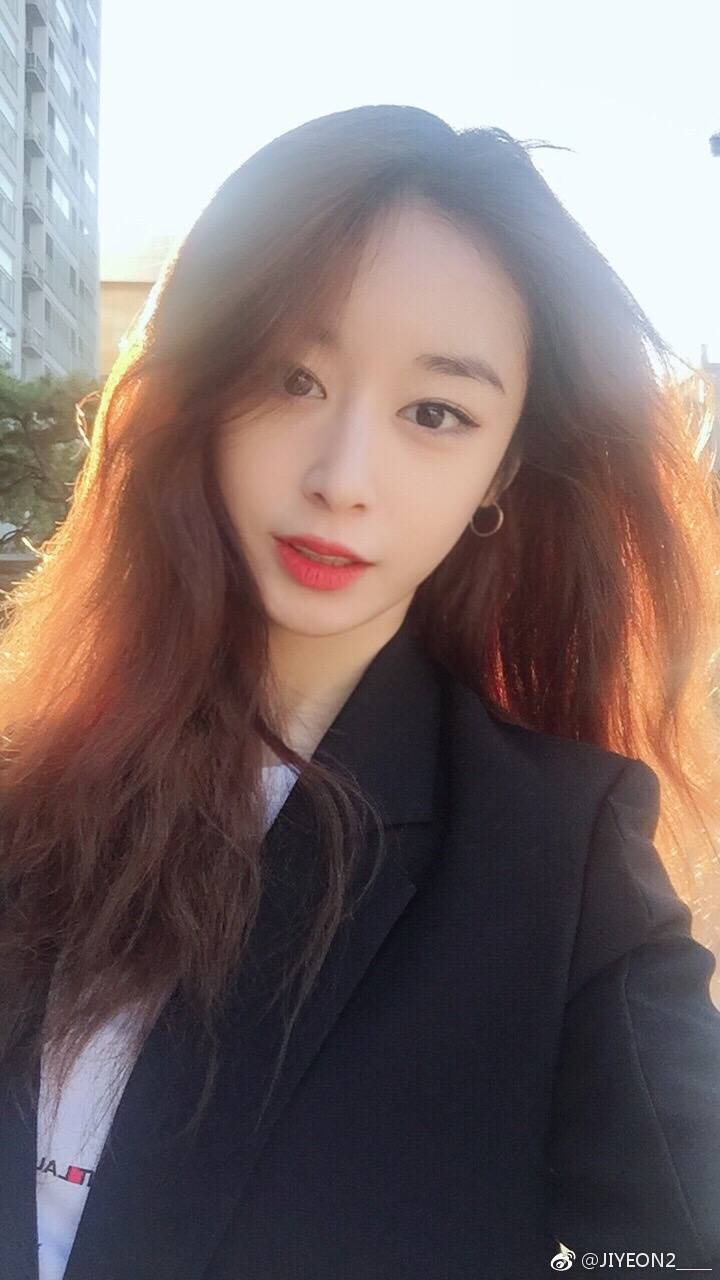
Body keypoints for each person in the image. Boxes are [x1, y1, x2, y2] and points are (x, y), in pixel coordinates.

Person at [0, 104, 719, 1280]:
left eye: (436, 413)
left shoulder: (560, 858)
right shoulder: (30, 779)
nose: (343, 477)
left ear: (502, 467)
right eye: (293, 376)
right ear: (201, 385)